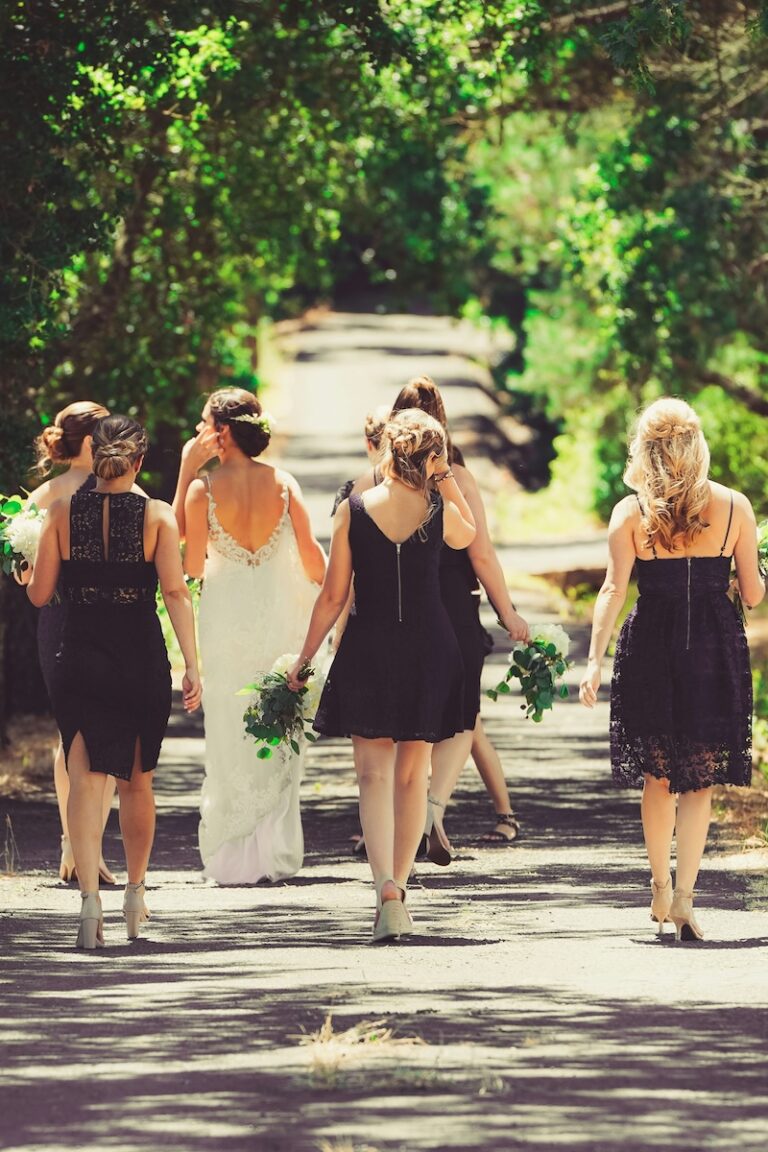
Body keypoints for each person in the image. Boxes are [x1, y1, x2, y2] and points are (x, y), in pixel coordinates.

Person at [579, 398, 764, 942]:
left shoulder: (628, 513)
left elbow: (613, 590)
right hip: (713, 648)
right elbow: (753, 594)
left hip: (651, 648)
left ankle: (659, 886)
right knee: (699, 781)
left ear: (646, 449)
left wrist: (593, 661)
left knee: (658, 777)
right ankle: (685, 898)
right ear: (697, 446)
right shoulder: (735, 507)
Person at [287, 409, 476, 942]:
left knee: (371, 776)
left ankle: (385, 889)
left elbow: (333, 595)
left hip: (369, 646)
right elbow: (469, 537)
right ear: (432, 456)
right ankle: (402, 892)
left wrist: (304, 659)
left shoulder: (351, 509)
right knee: (413, 774)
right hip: (429, 646)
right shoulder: (439, 506)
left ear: (389, 451)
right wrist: (444, 479)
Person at [28, 415, 201, 948]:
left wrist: (28, 567)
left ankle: (87, 905)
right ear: (140, 461)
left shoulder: (59, 511)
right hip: (137, 655)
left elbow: (39, 596)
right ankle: (135, 893)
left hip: (76, 652)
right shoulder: (157, 516)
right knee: (137, 780)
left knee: (83, 776)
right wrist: (193, 665)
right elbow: (174, 593)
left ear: (92, 454)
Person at [367, 377, 529, 858]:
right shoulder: (456, 476)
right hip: (453, 606)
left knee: (402, 718)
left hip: (392, 607)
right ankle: (431, 809)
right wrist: (508, 612)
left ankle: (400, 819)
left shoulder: (376, 481)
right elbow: (480, 554)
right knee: (461, 716)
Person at [179, 387, 326, 884]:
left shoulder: (202, 489)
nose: (199, 433)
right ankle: (273, 852)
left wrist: (185, 473)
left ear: (221, 432)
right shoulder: (284, 483)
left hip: (225, 622)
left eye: (204, 423)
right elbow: (311, 558)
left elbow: (191, 563)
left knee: (228, 731)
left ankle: (233, 858)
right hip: (277, 617)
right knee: (278, 721)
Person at [21, 401, 117, 885]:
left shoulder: (43, 495)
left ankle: (76, 846)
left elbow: (20, 565)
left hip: (62, 617)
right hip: (90, 618)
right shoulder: (118, 488)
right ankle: (83, 848)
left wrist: (25, 573)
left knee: (72, 734)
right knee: (95, 733)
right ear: (89, 440)